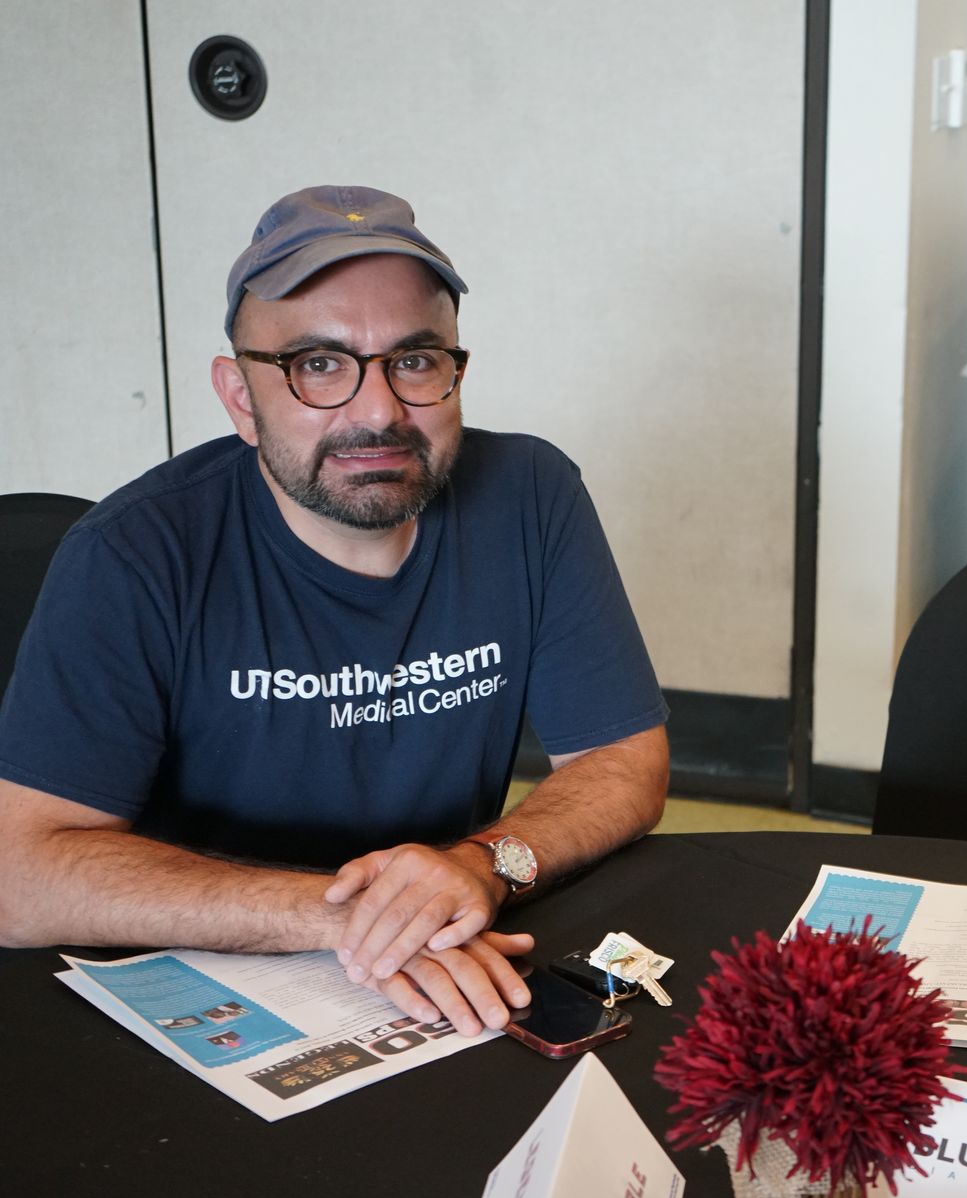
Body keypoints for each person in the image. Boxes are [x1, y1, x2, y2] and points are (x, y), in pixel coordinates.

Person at [0, 186, 671, 1037]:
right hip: (216, 984)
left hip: (450, 961)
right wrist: (345, 919)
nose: (379, 410)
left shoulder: (531, 497)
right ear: (240, 397)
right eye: (319, 364)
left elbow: (623, 757)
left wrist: (480, 865)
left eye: (415, 359)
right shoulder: (133, 553)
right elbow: (18, 877)